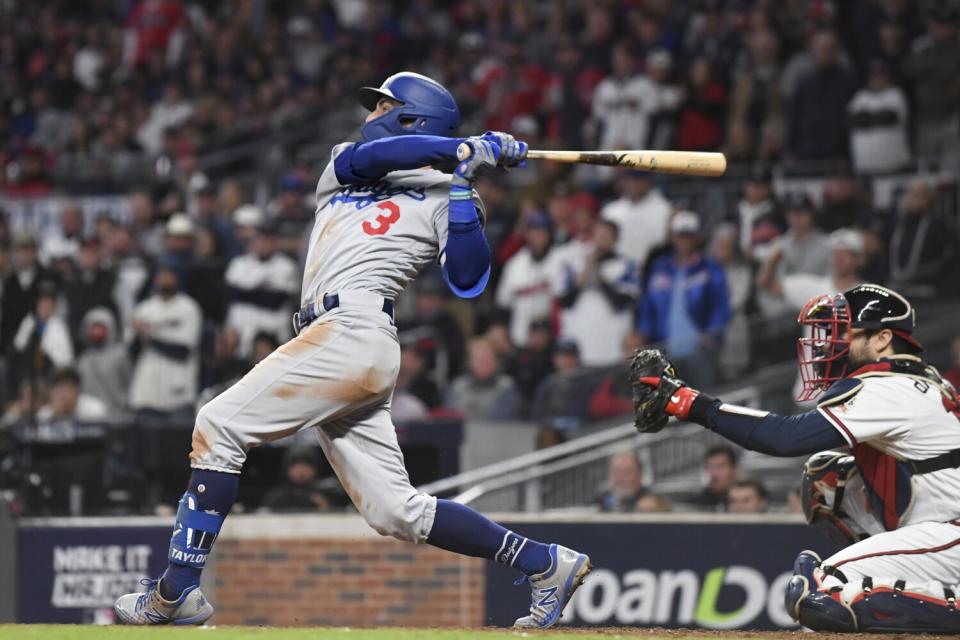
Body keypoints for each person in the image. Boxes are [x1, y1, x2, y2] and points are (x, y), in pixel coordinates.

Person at [115, 72, 590, 629]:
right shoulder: (347, 164)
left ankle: (175, 595)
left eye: (383, 105)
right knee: (395, 512)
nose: (370, 115)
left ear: (413, 115)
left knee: (217, 426)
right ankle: (544, 563)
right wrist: (458, 148)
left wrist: (463, 184)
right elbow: (377, 153)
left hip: (355, 329)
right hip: (333, 339)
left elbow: (468, 280)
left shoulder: (446, 193)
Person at [631, 284, 960, 632]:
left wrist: (688, 403)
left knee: (820, 593)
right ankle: (899, 582)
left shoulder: (890, 387)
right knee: (827, 479)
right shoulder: (914, 381)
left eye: (843, 333)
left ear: (881, 339)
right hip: (937, 530)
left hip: (950, 533)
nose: (826, 345)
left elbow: (785, 438)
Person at [637, 211, 730, 388]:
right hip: (665, 349)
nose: (684, 240)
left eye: (689, 235)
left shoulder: (709, 267)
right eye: (680, 235)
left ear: (696, 238)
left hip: (700, 350)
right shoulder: (660, 267)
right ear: (672, 236)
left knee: (702, 402)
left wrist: (712, 332)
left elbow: (721, 305)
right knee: (670, 404)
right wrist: (644, 333)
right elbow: (647, 305)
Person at [128, 262, 202, 425]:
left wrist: (147, 335)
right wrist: (137, 335)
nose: (164, 279)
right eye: (161, 275)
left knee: (179, 448)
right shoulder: (144, 308)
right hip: (147, 392)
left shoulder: (188, 307)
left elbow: (182, 351)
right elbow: (132, 352)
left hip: (178, 393)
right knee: (146, 448)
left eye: (169, 274)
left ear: (177, 278)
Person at [557, 220, 639, 366]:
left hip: (610, 346)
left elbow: (621, 303)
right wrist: (580, 282)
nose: (601, 238)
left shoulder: (626, 265)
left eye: (606, 235)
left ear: (614, 239)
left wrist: (599, 277)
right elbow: (565, 302)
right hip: (579, 344)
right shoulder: (576, 264)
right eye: (598, 234)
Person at [223, 221, 298, 358]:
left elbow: (275, 300)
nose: (264, 243)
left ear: (275, 241)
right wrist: (261, 294)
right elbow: (229, 294)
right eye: (261, 238)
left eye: (269, 239)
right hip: (240, 337)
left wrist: (244, 293)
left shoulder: (286, 266)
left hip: (274, 340)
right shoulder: (239, 264)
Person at [495, 211, 560, 348]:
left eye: (541, 230)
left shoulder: (559, 261)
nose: (537, 235)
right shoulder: (514, 264)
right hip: (519, 339)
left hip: (551, 342)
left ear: (549, 234)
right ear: (527, 234)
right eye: (533, 231)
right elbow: (503, 305)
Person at [601, 169, 672, 274]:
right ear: (624, 181)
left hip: (652, 271)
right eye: (631, 179)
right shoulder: (610, 211)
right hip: (615, 273)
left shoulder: (665, 209)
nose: (634, 184)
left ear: (648, 181)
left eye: (639, 179)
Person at [445, 337, 522, 422]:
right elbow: (448, 419)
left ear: (496, 361)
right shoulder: (457, 387)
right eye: (479, 358)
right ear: (470, 362)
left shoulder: (506, 388)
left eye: (488, 358)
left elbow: (501, 421)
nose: (484, 363)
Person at [259, 446, 340, 513]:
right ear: (286, 469)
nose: (301, 470)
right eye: (296, 464)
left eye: (307, 464)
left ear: (316, 468)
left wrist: (325, 507)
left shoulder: (326, 496)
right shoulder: (274, 498)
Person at [36, 367, 108, 422]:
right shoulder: (45, 414)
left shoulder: (94, 408)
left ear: (78, 390)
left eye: (68, 386)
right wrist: (56, 415)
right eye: (60, 387)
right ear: (51, 392)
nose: (64, 393)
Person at [687, 445, 738, 511]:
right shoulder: (697, 503)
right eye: (710, 467)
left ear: (733, 469)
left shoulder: (745, 501)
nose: (714, 474)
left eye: (720, 466)